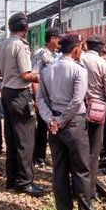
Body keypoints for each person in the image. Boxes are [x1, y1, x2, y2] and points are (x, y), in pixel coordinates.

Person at [36, 34, 106, 210]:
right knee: (82, 171)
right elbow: (77, 101)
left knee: (59, 171)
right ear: (76, 49)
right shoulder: (78, 70)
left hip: (54, 127)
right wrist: (61, 120)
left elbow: (40, 99)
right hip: (73, 123)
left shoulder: (47, 70)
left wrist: (51, 119)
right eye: (81, 48)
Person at [0, 12, 43, 197]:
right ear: (25, 28)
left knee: (12, 136)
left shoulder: (3, 45)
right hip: (20, 94)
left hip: (7, 92)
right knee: (25, 138)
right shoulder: (20, 46)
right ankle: (25, 182)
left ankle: (12, 178)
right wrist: (43, 76)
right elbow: (26, 75)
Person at [80, 35, 106, 197]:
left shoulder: (77, 59)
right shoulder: (104, 64)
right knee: (105, 135)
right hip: (98, 107)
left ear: (87, 45)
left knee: (82, 141)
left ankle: (80, 172)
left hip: (79, 105)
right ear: (102, 47)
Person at [31, 27, 61, 168]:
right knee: (42, 127)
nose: (59, 41)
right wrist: (37, 99)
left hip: (55, 96)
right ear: (52, 39)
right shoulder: (40, 54)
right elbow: (34, 76)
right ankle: (39, 157)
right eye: (58, 39)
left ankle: (52, 155)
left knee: (54, 126)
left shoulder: (56, 55)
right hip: (44, 95)